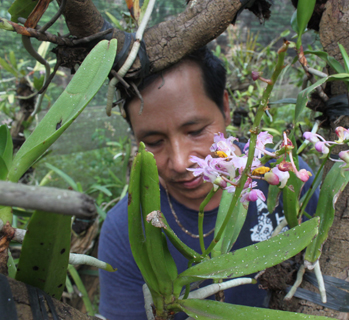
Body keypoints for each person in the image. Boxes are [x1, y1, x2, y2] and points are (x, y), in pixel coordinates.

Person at [98, 47, 319, 320]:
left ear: (225, 108)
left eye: (195, 131)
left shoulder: (286, 181)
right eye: (154, 142)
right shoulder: (128, 230)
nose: (179, 162)